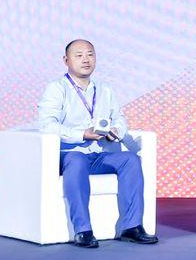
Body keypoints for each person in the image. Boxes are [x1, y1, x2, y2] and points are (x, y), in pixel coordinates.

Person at [37, 40, 158, 248]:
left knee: (130, 160)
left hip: (99, 154)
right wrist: (82, 134)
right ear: (66, 60)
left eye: (90, 54)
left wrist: (116, 131)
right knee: (77, 160)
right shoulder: (56, 89)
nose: (86, 59)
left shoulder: (105, 89)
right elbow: (47, 125)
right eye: (79, 55)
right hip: (69, 155)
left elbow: (119, 118)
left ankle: (132, 226)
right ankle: (83, 230)